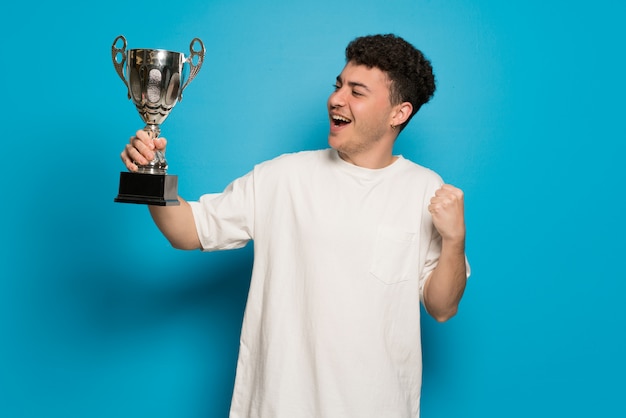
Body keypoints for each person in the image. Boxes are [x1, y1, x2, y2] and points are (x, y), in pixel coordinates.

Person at [121, 33, 469, 418]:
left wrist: (454, 240)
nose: (337, 99)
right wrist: (151, 173)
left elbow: (442, 307)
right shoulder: (282, 177)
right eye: (338, 86)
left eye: (357, 92)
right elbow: (186, 230)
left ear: (398, 113)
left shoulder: (424, 189)